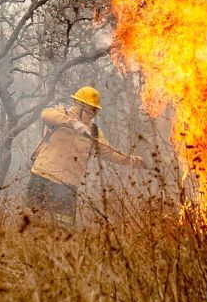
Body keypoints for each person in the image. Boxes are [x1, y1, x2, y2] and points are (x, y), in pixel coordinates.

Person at [27, 86, 140, 225]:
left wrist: (131, 161)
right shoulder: (60, 114)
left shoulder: (94, 132)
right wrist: (72, 123)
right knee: (32, 224)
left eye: (94, 110)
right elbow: (45, 115)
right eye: (89, 109)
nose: (92, 113)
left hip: (67, 185)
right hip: (42, 177)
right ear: (79, 105)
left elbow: (109, 153)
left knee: (64, 230)